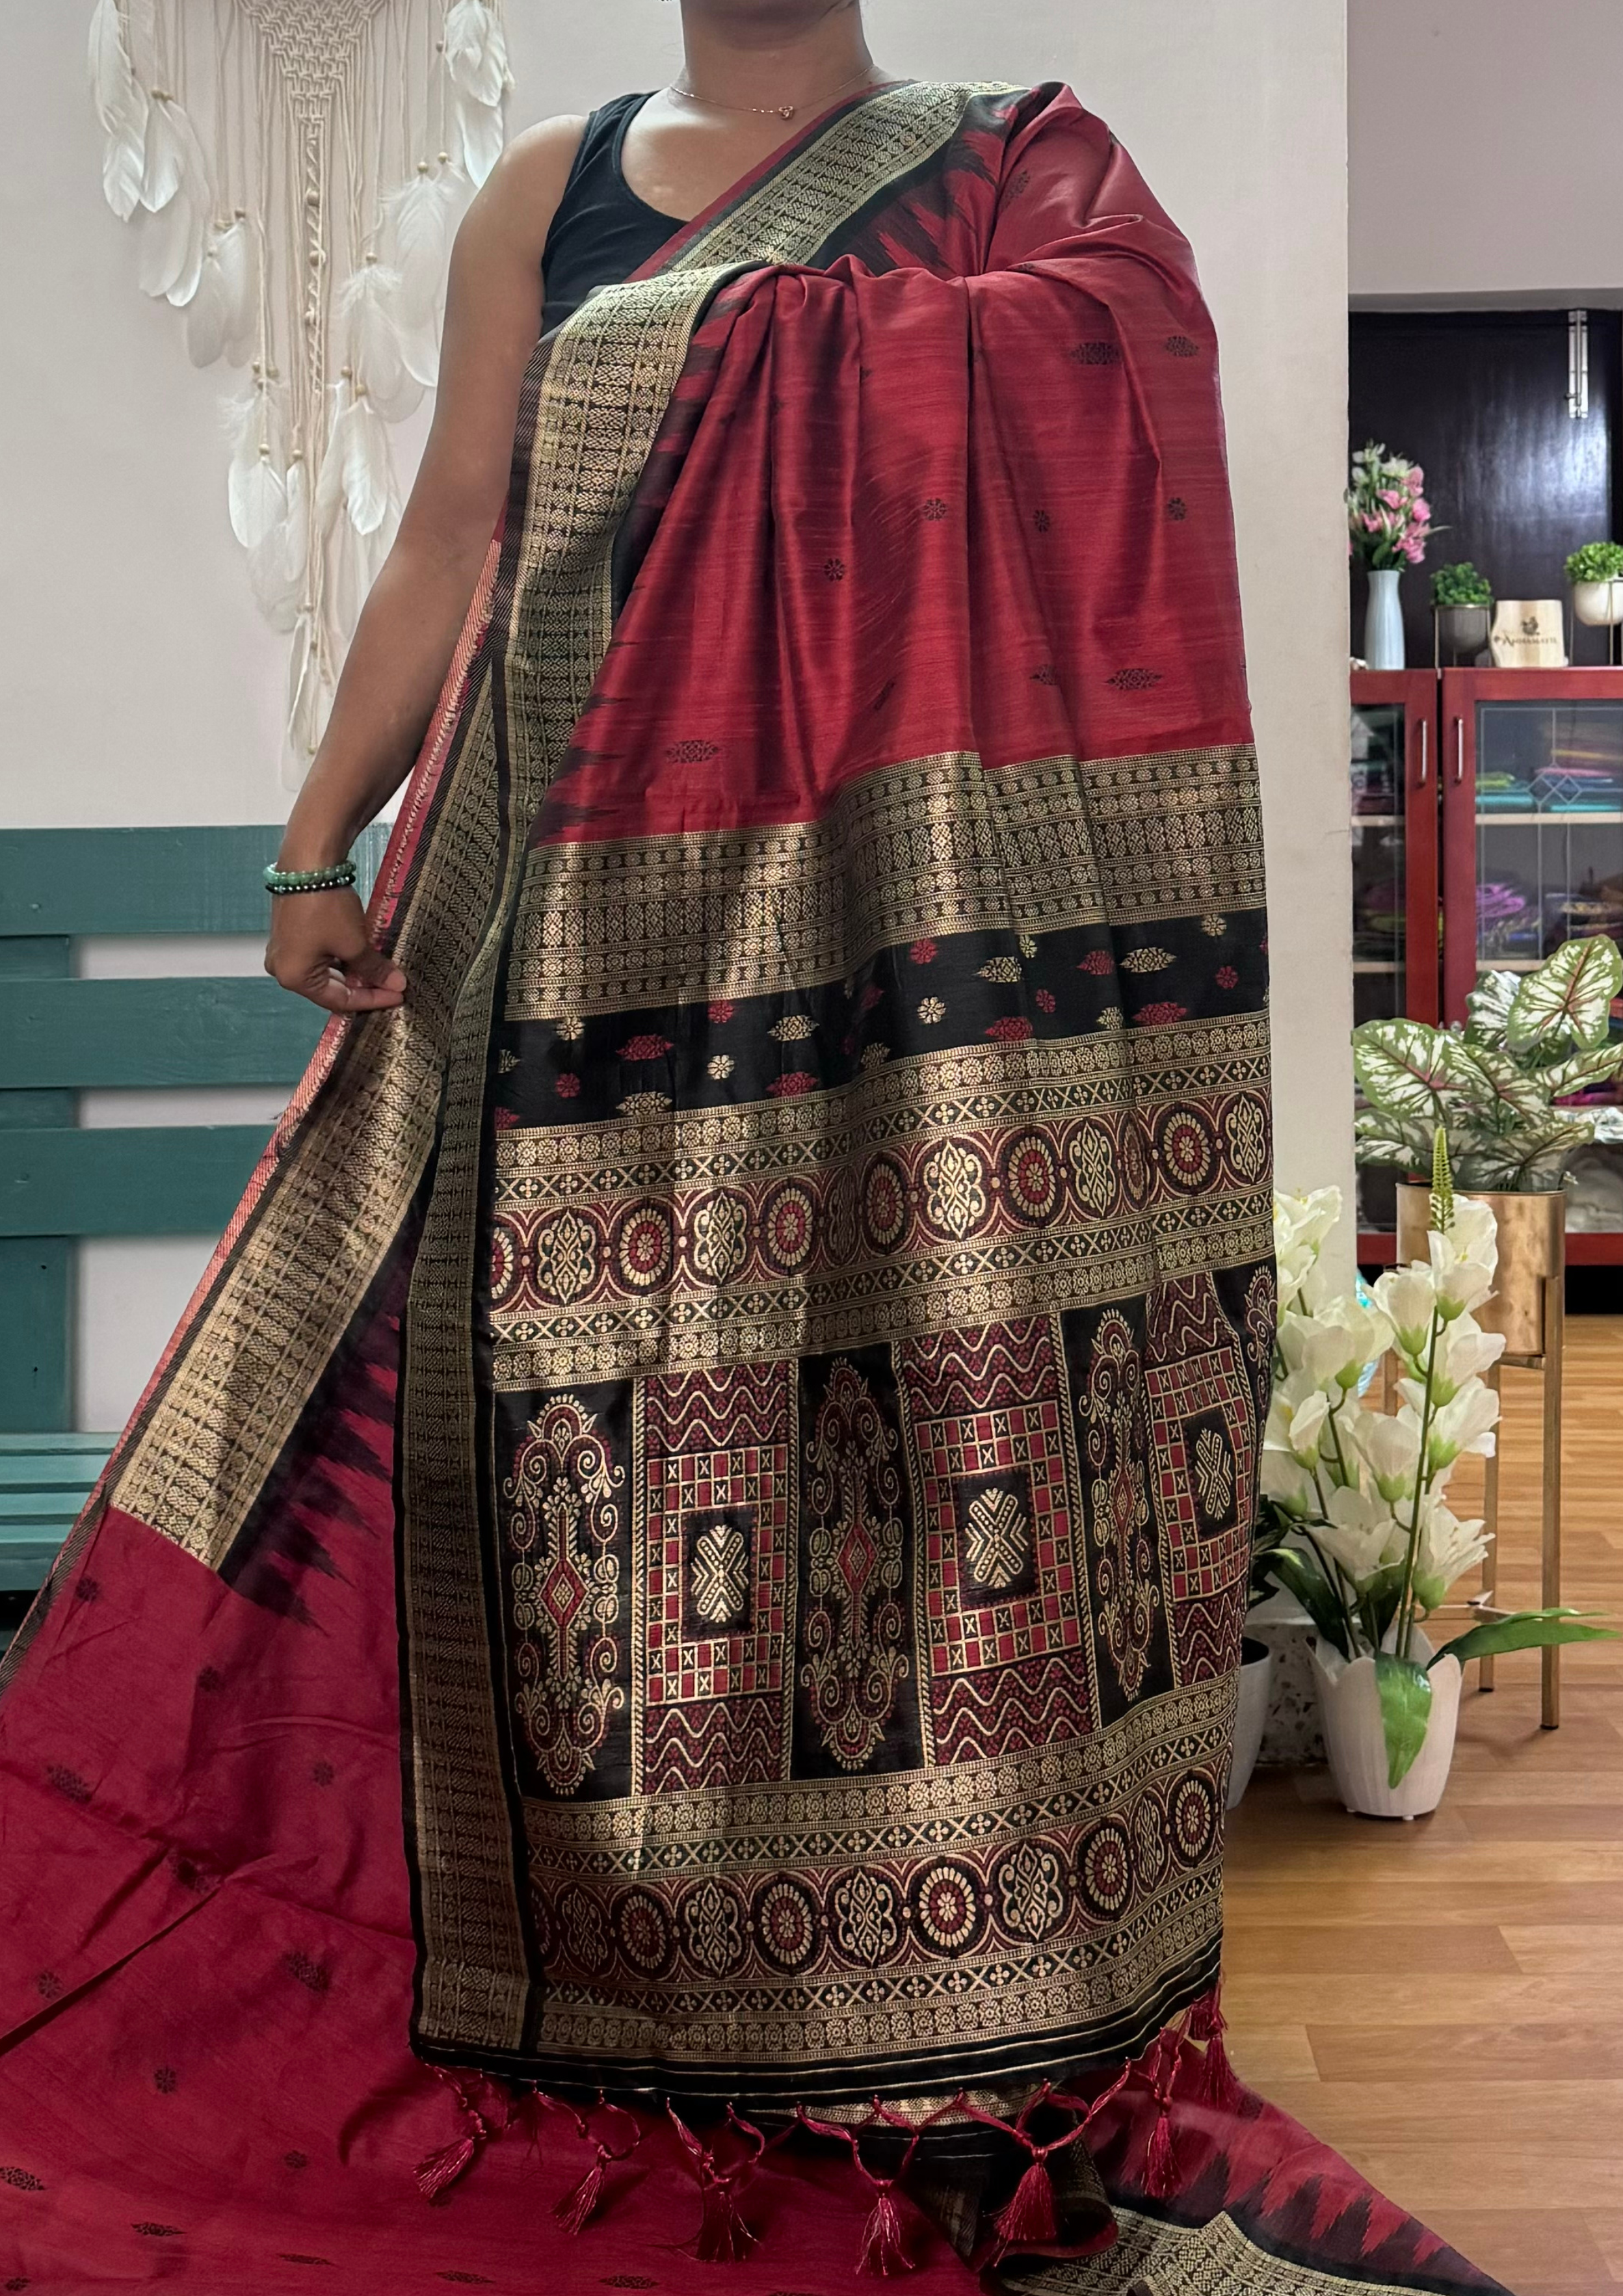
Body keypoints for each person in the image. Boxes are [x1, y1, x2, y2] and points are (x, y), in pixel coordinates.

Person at [0, 5, 1507, 2290]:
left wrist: (747, 343)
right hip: (552, 972)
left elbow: (1130, 363)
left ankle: (899, 2048)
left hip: (899, 1019)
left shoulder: (1020, 171)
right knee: (485, 1503)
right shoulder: (550, 186)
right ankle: (570, 2019)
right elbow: (447, 541)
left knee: (876, 1498)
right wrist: (317, 847)